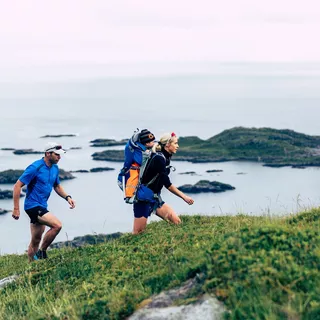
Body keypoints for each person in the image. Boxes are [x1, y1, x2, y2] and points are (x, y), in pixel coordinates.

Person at [12, 142, 76, 262]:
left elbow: (56, 186)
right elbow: (17, 186)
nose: (59, 157)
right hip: (32, 206)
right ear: (48, 153)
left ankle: (32, 267)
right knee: (57, 225)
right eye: (57, 155)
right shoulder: (35, 167)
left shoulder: (55, 168)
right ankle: (42, 252)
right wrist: (16, 209)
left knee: (36, 239)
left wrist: (67, 197)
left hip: (42, 205)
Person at [133, 132, 194, 234]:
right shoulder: (159, 159)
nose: (177, 146)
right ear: (167, 145)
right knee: (138, 233)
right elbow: (168, 185)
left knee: (176, 222)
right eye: (175, 143)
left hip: (155, 198)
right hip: (143, 199)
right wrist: (185, 197)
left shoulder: (165, 158)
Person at [117, 129, 156, 201]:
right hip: (135, 169)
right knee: (133, 180)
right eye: (152, 141)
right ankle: (129, 196)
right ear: (147, 143)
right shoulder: (140, 151)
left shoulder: (137, 147)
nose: (154, 143)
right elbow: (140, 161)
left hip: (136, 169)